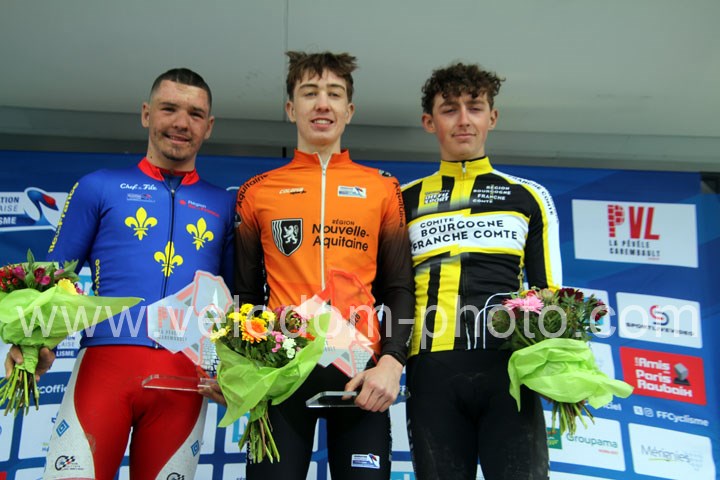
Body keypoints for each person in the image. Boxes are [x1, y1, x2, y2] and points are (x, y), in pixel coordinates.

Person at [7, 68, 235, 480]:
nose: (181, 123)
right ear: (146, 114)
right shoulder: (99, 187)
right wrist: (35, 342)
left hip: (184, 382)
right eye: (169, 108)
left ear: (210, 126)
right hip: (103, 372)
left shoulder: (225, 205)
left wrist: (238, 372)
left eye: (195, 114)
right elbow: (52, 278)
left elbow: (238, 300)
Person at [234, 51, 414, 479]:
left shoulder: (383, 188)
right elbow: (245, 293)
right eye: (309, 93)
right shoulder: (256, 192)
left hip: (361, 375)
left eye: (334, 94)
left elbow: (399, 287)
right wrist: (242, 366)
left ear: (349, 111)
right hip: (280, 374)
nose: (322, 104)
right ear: (290, 108)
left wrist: (392, 362)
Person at [401, 63, 562, 480]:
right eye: (449, 109)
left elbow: (549, 293)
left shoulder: (527, 197)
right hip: (431, 373)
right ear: (429, 122)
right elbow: (390, 290)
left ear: (492, 117)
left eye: (474, 107)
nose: (463, 119)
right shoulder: (402, 200)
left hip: (508, 371)